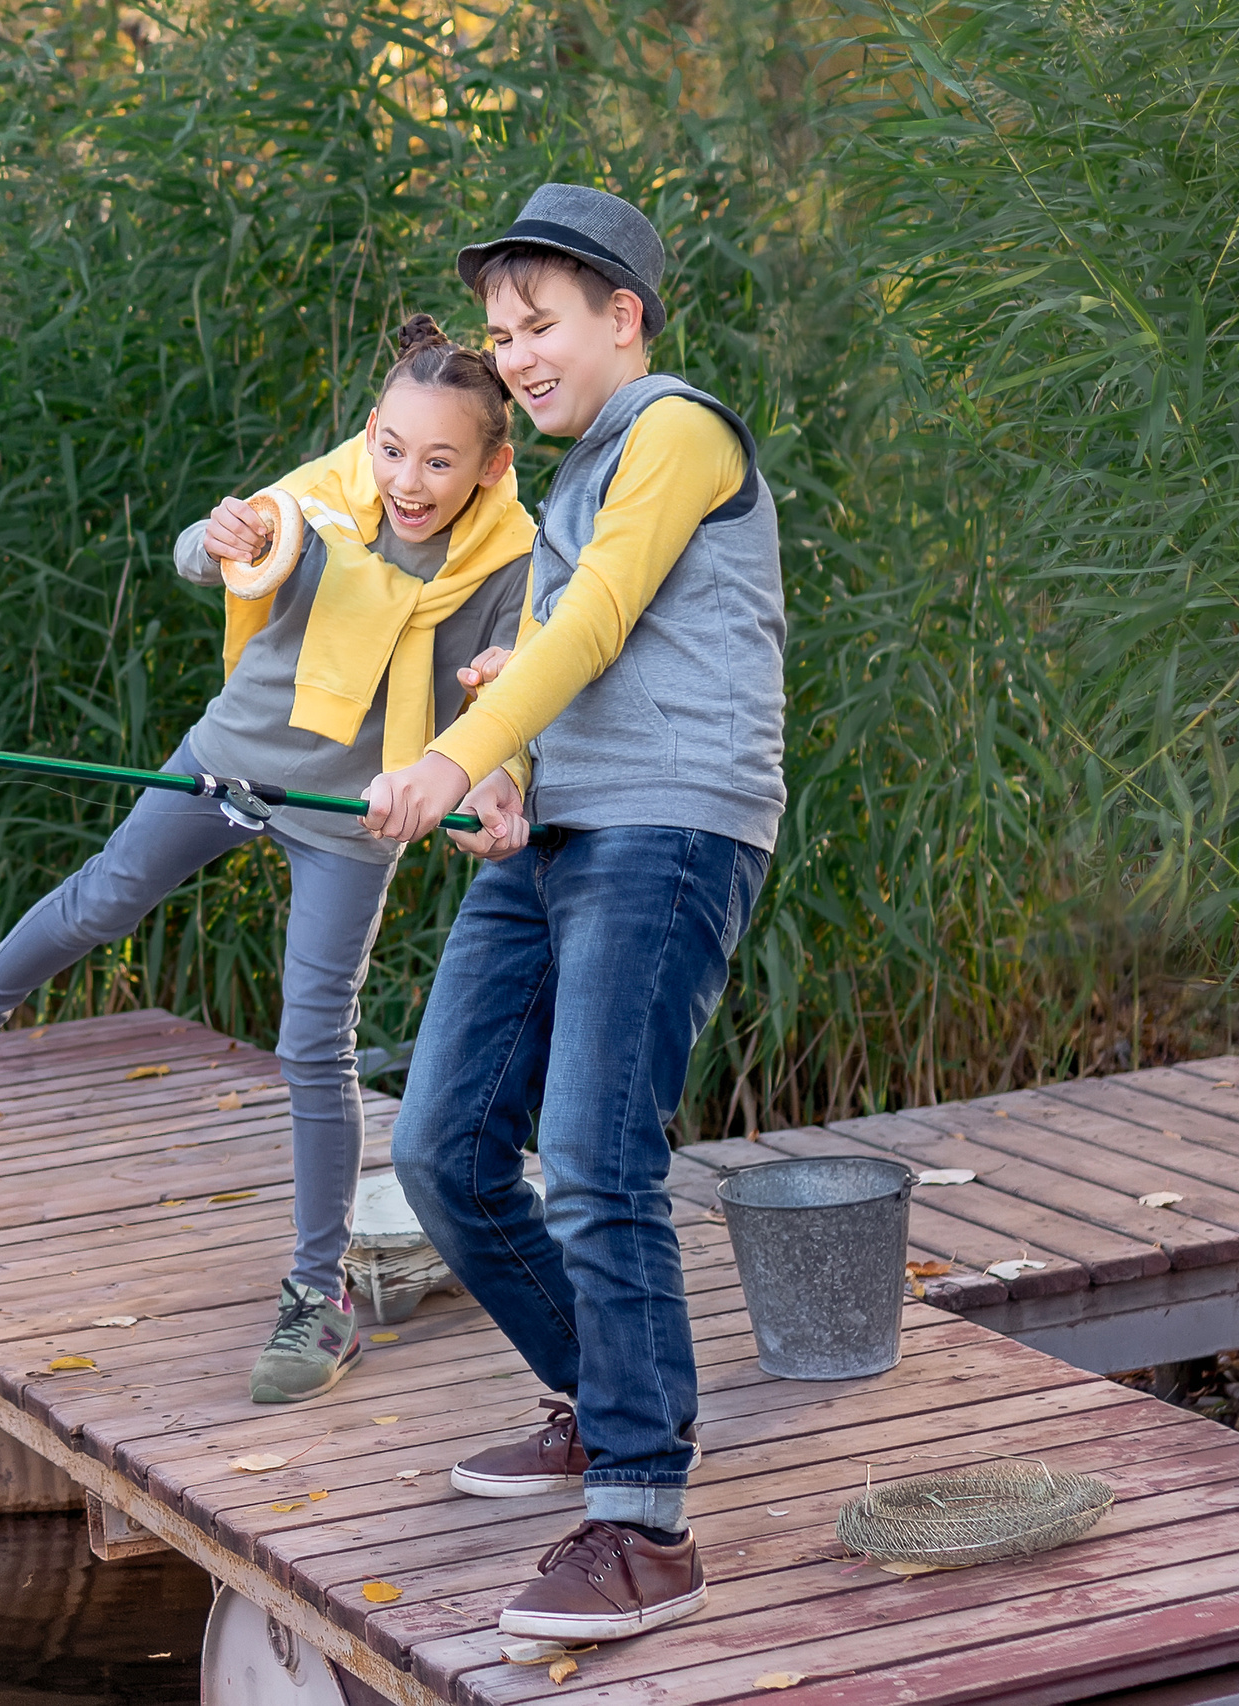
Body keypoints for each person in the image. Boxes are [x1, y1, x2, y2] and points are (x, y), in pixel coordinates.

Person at [0, 315, 539, 1405]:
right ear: (367, 433)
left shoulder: (513, 559)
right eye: (390, 445)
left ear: (491, 463)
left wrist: (490, 768)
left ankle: (316, 1297)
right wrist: (220, 537)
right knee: (103, 896)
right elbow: (213, 546)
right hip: (229, 757)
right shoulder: (329, 492)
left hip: (353, 807)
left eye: (438, 459)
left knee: (313, 1038)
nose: (406, 478)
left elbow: (511, 692)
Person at [360, 183, 785, 1641]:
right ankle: (602, 1408)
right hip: (560, 837)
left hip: (670, 833)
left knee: (599, 1159)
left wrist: (450, 755)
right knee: (442, 1148)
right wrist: (510, 769)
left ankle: (647, 1524)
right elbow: (568, 647)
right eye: (497, 331)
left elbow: (601, 617)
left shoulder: (677, 426)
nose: (516, 355)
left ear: (624, 317)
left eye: (539, 325)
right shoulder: (576, 475)